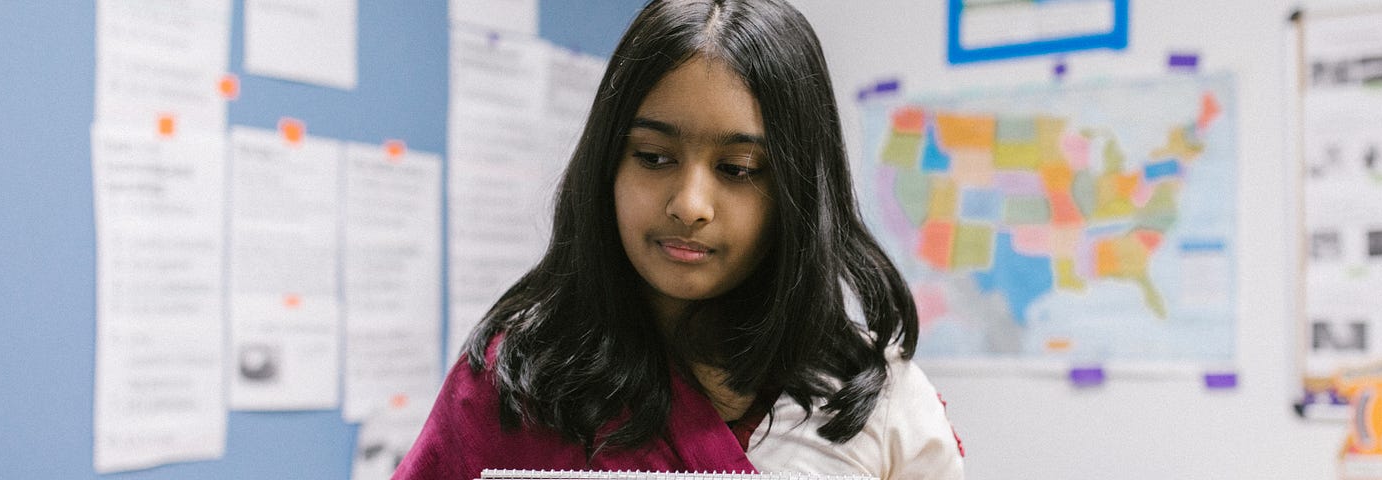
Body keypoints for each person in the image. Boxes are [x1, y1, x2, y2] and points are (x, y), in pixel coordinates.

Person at [395, 0, 964, 478]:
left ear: (798, 191)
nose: (689, 204)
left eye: (739, 168)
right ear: (606, 167)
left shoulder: (878, 404)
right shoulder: (514, 382)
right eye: (654, 157)